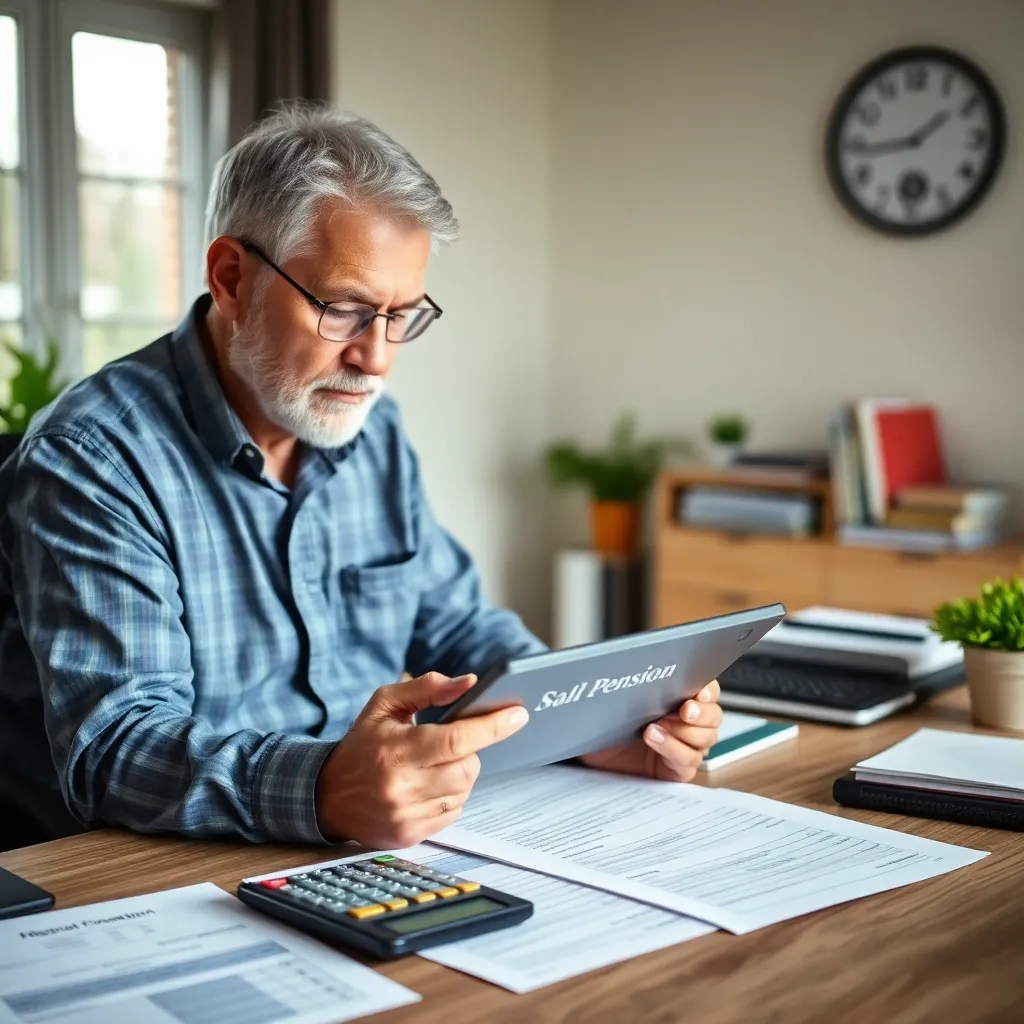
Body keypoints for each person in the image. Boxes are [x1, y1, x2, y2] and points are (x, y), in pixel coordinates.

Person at [0, 103, 722, 848]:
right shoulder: (93, 459)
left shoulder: (371, 431)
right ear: (231, 278)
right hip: (188, 862)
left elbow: (458, 627)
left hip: (385, 841)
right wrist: (323, 787)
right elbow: (116, 747)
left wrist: (594, 725)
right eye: (344, 310)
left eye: (402, 315)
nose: (376, 358)